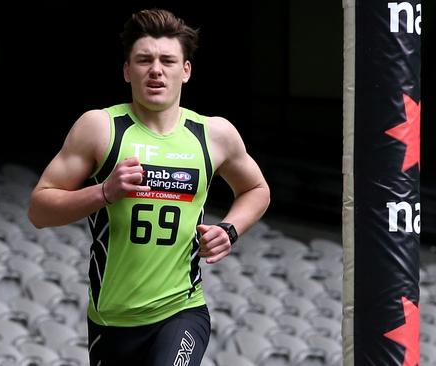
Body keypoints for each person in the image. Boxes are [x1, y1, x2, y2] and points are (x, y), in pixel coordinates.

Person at [27, 8, 270, 365]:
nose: (156, 69)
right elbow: (38, 210)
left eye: (168, 60)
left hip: (182, 311)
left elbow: (256, 189)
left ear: (185, 71)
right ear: (127, 71)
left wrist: (230, 230)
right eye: (144, 60)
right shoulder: (100, 128)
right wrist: (104, 192)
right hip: (111, 321)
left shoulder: (214, 134)